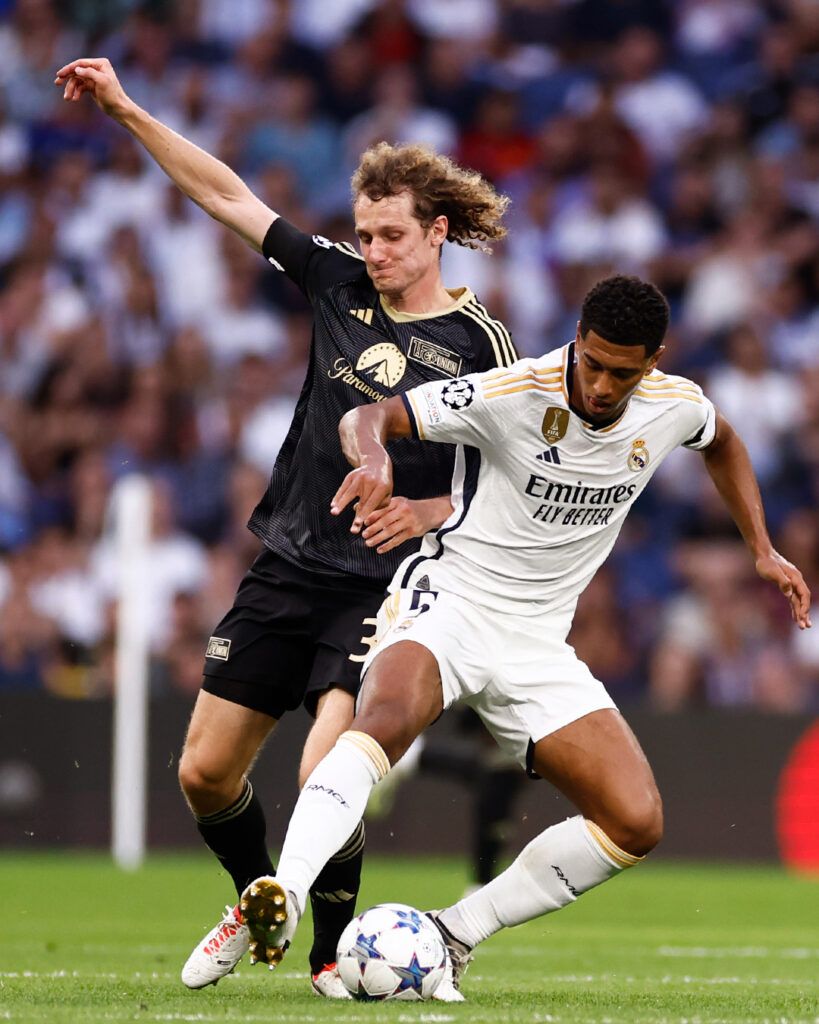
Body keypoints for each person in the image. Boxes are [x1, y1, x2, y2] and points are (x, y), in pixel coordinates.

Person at [54, 57, 518, 998]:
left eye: (392, 236)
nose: (375, 251)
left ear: (437, 234)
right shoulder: (335, 282)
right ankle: (258, 899)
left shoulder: (484, 348)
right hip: (288, 566)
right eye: (364, 234)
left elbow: (512, 484)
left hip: (383, 588)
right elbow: (224, 193)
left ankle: (327, 955)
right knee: (203, 774)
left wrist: (430, 508)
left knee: (324, 768)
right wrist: (127, 107)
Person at [233, 274, 812, 998]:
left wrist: (759, 546)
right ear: (576, 339)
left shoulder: (673, 405)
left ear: (652, 362)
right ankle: (281, 895)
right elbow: (371, 415)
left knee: (634, 821)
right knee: (382, 721)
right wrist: (376, 459)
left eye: (622, 372)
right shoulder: (511, 392)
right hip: (452, 600)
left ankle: (454, 931)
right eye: (592, 362)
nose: (601, 385)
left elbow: (721, 442)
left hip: (537, 639)